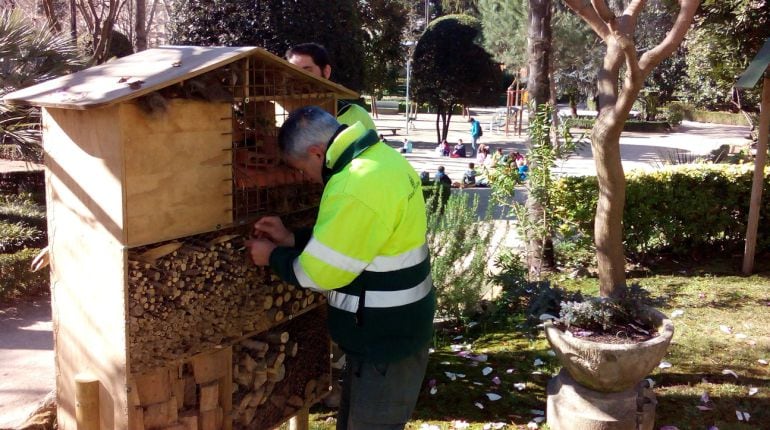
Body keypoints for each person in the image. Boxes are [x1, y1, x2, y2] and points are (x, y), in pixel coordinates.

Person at [246, 106, 435, 430]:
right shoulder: (381, 160)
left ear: (317, 153)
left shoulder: (353, 185)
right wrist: (291, 238)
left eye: (302, 168)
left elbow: (317, 274)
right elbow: (355, 241)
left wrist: (271, 256)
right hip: (395, 331)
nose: (306, 177)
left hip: (383, 342)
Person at [286, 43, 375, 131]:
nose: (299, 78)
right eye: (293, 72)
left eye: (307, 71)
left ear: (326, 71)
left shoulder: (356, 114)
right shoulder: (280, 113)